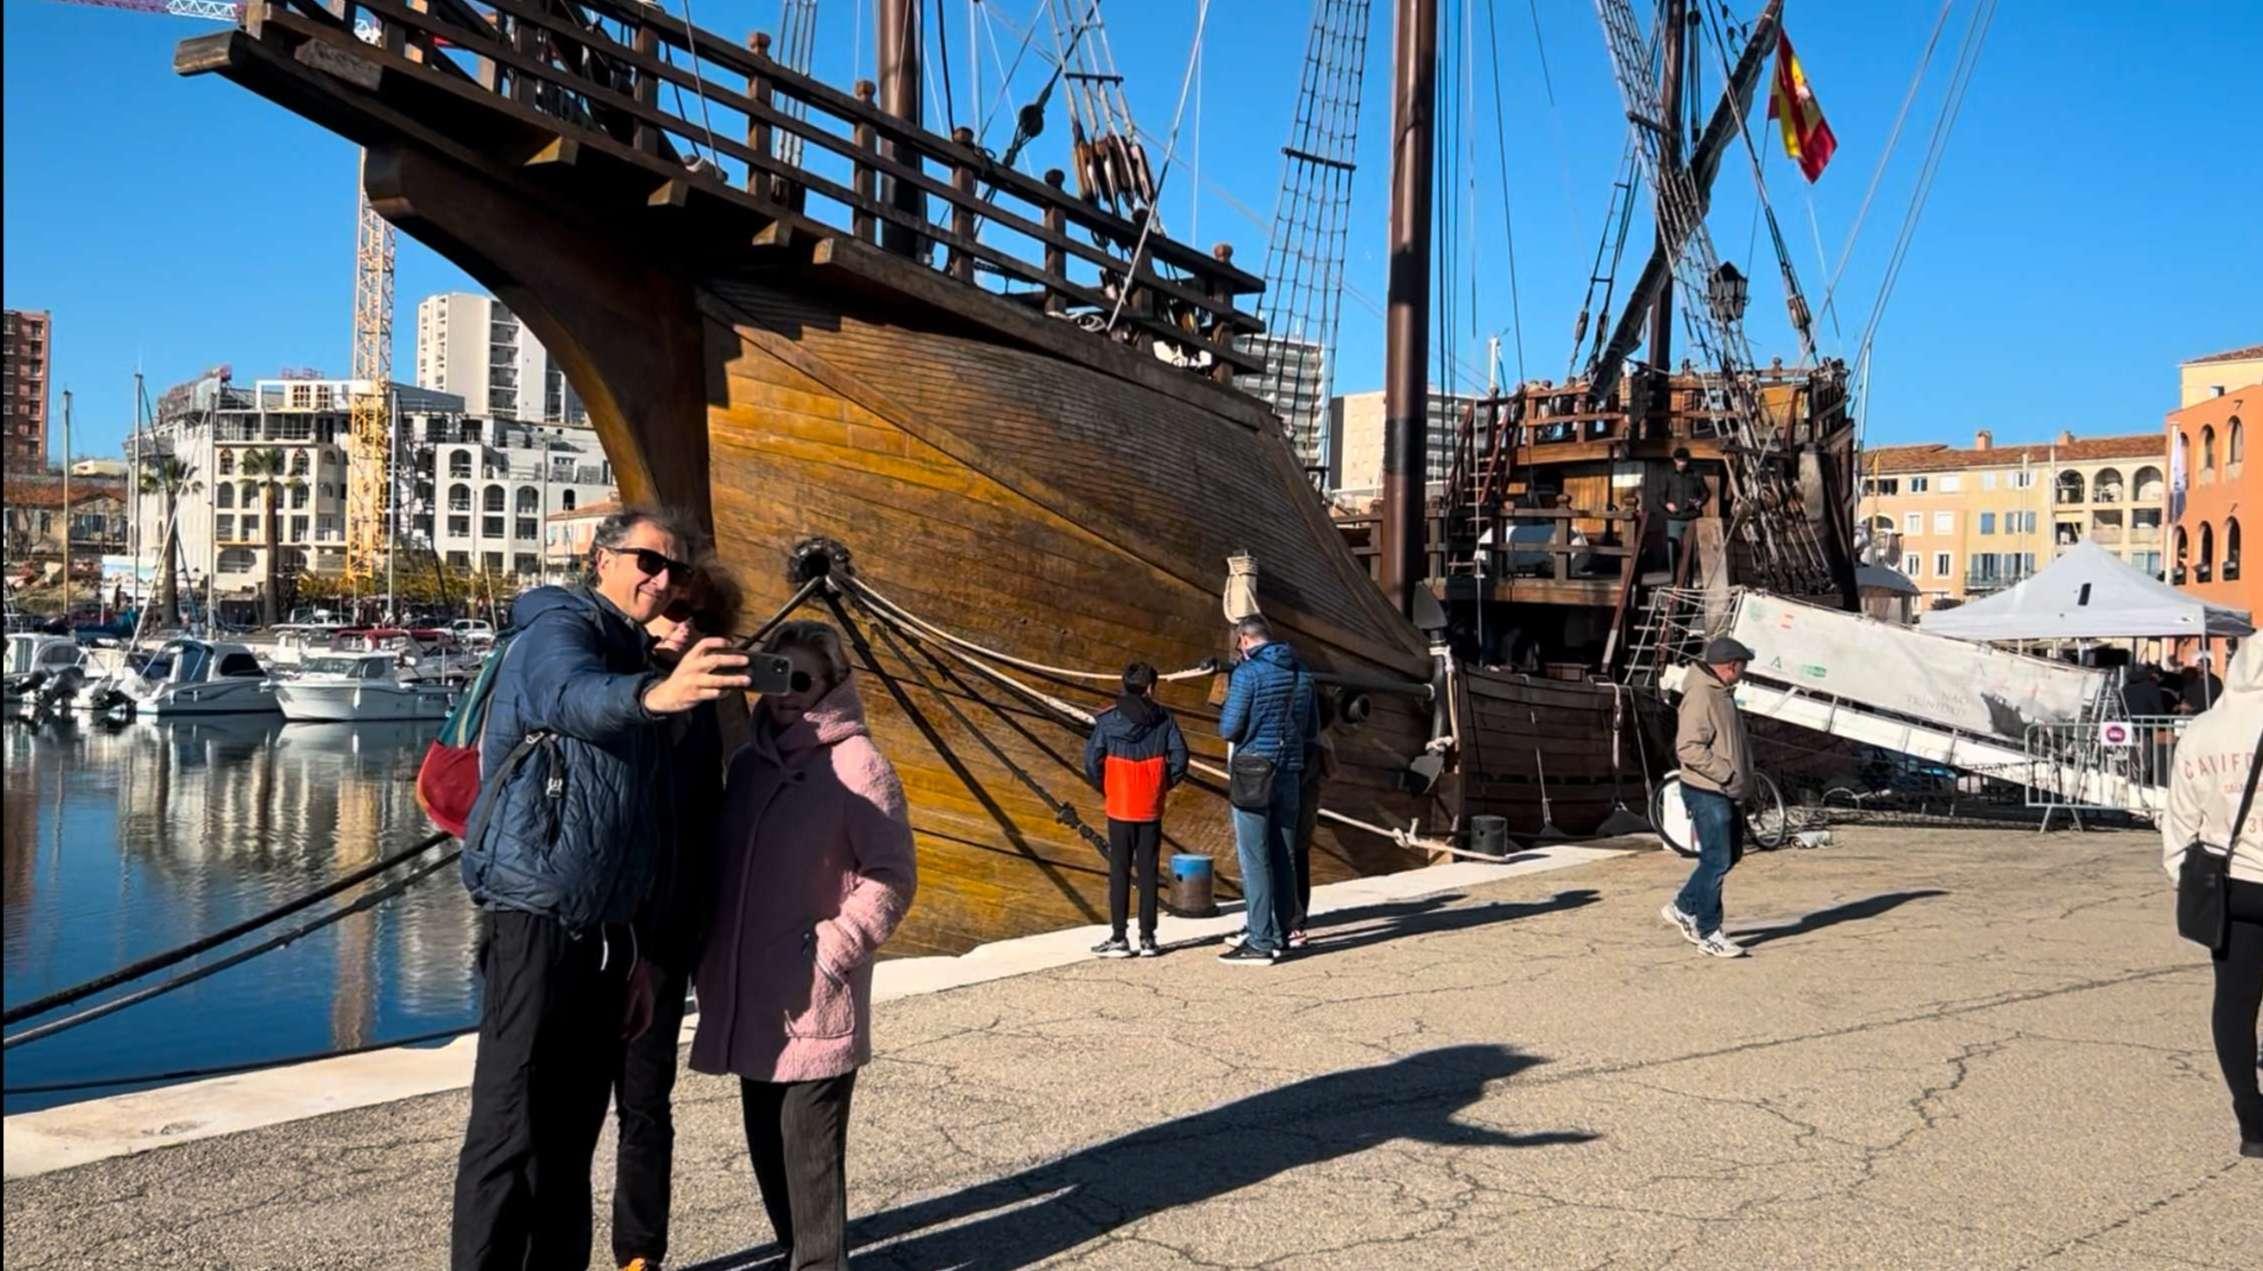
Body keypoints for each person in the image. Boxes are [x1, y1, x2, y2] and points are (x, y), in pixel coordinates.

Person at [451, 507, 752, 1271]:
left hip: (608, 929)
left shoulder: (634, 650)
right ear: (602, 559)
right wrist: (657, 696)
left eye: (675, 571)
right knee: (510, 1120)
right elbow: (571, 697)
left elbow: (645, 824)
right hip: (537, 909)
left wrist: (639, 949)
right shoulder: (561, 626)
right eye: (648, 562)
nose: (661, 580)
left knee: (574, 1128)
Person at [691, 619, 918, 1270]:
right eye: (775, 674)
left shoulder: (859, 764)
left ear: (834, 683)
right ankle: (798, 1256)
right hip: (751, 997)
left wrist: (833, 948)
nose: (786, 693)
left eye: (802, 679)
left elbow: (891, 874)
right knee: (767, 1150)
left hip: (813, 995)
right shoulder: (748, 765)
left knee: (810, 1160)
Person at [611, 558, 741, 1271]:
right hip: (592, 926)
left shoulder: (705, 717)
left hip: (662, 932)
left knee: (645, 1100)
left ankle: (639, 1252)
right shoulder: (608, 694)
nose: (682, 627)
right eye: (672, 613)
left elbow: (708, 820)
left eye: (697, 620)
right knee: (563, 1104)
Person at [2161, 638, 2263, 1159]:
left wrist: (2184, 878)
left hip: (2231, 883)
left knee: (2235, 1001)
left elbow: (2178, 819)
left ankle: (2252, 1120)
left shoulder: (2202, 731)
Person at [1216, 615, 1316, 966]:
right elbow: (1310, 726)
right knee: (1284, 855)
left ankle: (1260, 940)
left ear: (1244, 640)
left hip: (1253, 771)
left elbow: (1229, 728)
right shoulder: (1302, 673)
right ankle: (1285, 933)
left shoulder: (1248, 674)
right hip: (1289, 769)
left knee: (1254, 859)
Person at [1083, 661, 1190, 958]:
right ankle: (1148, 938)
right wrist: (1162, 784)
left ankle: (1119, 937)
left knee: (1118, 870)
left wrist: (1107, 787)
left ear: (1124, 685)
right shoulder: (1164, 719)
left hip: (1119, 804)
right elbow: (1181, 757)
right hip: (1150, 805)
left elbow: (1092, 761)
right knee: (1148, 871)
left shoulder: (1107, 720)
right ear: (1151, 688)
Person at [1660, 636, 1756, 960]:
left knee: (1728, 856)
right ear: (1731, 666)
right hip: (1708, 789)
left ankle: (1683, 906)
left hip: (1724, 789)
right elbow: (1688, 747)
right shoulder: (1702, 694)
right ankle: (1710, 932)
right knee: (1716, 859)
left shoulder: (1721, 692)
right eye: (1743, 665)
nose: (1745, 671)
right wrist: (1726, 772)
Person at [1287, 693, 1340, 949]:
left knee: (1288, 864)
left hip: (1293, 810)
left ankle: (1293, 924)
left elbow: (1298, 780)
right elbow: (1332, 772)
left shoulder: (1304, 741)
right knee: (1301, 862)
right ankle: (1299, 920)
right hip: (1309, 810)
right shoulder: (1323, 740)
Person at [1661, 447, 1710, 576]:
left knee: (1691, 550)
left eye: (1684, 461)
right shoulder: (1668, 475)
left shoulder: (1696, 474)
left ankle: (1690, 580)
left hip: (1692, 517)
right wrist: (1667, 504)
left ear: (1688, 460)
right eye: (1679, 461)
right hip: (1674, 518)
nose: (1682, 463)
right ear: (1675, 460)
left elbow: (1705, 493)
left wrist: (1700, 502)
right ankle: (1674, 579)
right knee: (1673, 549)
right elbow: (1660, 496)